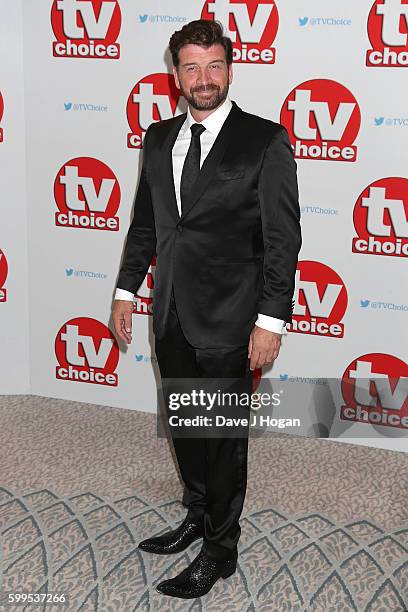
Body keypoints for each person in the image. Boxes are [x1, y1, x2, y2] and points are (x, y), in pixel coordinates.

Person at [112, 18, 302, 599]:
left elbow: (282, 240)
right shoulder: (158, 137)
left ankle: (220, 548)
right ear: (176, 75)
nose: (203, 78)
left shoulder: (264, 140)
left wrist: (269, 321)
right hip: (168, 312)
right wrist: (125, 290)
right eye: (191, 67)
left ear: (229, 69)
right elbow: (146, 223)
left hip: (232, 319)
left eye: (214, 65)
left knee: (221, 437)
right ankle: (196, 514)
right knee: (187, 426)